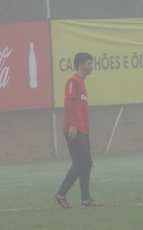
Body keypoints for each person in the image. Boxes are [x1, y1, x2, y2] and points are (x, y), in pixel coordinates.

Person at [54, 52, 102, 208]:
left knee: (87, 163)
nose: (91, 66)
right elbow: (68, 103)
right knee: (80, 162)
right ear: (80, 65)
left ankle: (86, 201)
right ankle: (60, 194)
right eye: (89, 63)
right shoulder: (72, 81)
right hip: (74, 129)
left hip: (83, 129)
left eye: (92, 63)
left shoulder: (82, 82)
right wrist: (73, 125)